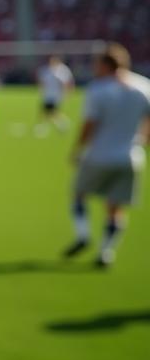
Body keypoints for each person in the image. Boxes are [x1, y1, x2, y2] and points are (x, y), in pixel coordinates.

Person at [63, 42, 150, 267]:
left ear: (106, 65)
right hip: (131, 156)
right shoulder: (144, 86)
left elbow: (89, 125)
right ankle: (106, 251)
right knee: (116, 207)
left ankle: (83, 235)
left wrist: (77, 150)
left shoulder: (99, 89)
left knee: (78, 194)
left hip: (99, 155)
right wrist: (142, 141)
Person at [34, 55, 73, 135]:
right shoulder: (47, 70)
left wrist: (66, 93)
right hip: (48, 94)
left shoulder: (61, 71)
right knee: (48, 112)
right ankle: (46, 127)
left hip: (55, 95)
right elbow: (43, 82)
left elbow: (65, 83)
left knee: (50, 112)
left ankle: (60, 125)